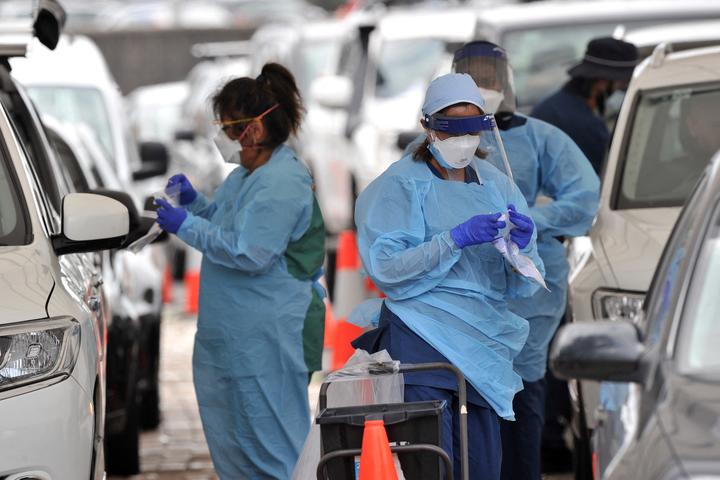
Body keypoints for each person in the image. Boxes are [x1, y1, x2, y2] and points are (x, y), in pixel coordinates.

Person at [352, 73, 544, 480]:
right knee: (433, 463)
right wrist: (453, 239)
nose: (463, 140)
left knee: (482, 465)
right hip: (423, 339)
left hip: (481, 346)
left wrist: (522, 249)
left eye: (472, 129)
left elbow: (522, 283)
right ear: (428, 126)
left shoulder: (496, 185)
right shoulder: (401, 186)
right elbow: (387, 269)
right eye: (451, 129)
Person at [153, 63, 326, 479]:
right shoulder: (248, 176)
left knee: (274, 446)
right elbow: (229, 223)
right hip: (242, 337)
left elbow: (251, 252)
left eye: (229, 127)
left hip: (270, 338)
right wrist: (195, 204)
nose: (223, 138)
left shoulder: (281, 182)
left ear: (255, 130)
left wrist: (186, 226)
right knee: (239, 443)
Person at [450, 41, 600, 479]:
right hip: (464, 294)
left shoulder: (539, 138)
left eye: (490, 80)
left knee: (521, 396)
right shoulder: (441, 146)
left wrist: (532, 219)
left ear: (505, 84)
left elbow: (583, 198)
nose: (484, 88)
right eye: (472, 81)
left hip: (528, 295)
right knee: (472, 409)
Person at [532, 37, 638, 175]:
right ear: (601, 82)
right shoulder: (586, 125)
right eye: (622, 85)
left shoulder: (549, 107)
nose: (622, 91)